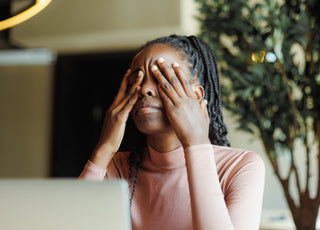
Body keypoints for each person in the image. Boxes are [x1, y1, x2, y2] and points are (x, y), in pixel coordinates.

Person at [79, 35, 265, 230]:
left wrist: (196, 142)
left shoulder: (240, 167)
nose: (144, 89)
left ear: (197, 95)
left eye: (162, 77)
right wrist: (104, 147)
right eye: (137, 80)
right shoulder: (117, 167)